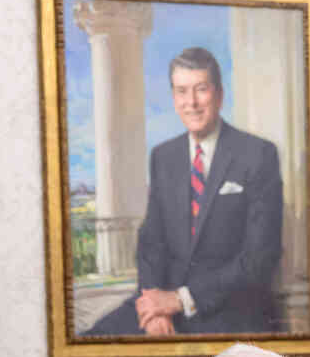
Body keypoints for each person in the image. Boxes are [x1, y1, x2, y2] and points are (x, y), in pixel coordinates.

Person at [85, 47, 283, 335]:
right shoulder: (163, 156)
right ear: (174, 98)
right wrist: (154, 304)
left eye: (201, 89)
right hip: (164, 302)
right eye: (181, 91)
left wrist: (180, 300)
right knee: (89, 341)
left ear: (219, 94)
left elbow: (259, 258)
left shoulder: (257, 155)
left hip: (229, 308)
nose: (191, 102)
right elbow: (151, 242)